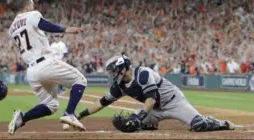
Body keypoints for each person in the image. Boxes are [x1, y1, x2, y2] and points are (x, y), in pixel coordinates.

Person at [77, 53, 235, 132]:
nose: (112, 74)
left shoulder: (143, 74)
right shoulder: (119, 85)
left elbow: (151, 99)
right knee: (129, 126)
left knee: (199, 125)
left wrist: (139, 116)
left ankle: (221, 123)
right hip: (154, 110)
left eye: (113, 70)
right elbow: (101, 103)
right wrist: (78, 116)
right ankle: (151, 124)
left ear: (122, 68)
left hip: (174, 102)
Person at [7, 0, 87, 135]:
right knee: (80, 80)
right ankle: (69, 113)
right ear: (26, 5)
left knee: (51, 105)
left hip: (32, 72)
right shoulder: (32, 14)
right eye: (31, 3)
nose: (34, 6)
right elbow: (44, 24)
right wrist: (65, 29)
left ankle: (22, 118)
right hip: (45, 63)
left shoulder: (12, 27)